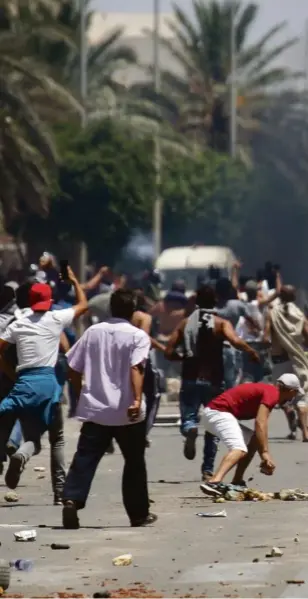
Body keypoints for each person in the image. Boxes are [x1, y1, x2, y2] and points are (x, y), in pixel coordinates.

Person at [62, 289, 157, 529]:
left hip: (96, 410)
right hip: (128, 413)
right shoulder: (138, 336)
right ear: (133, 311)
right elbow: (137, 368)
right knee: (134, 462)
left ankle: (72, 499)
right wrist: (136, 400)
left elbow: (72, 367)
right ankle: (138, 515)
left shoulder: (93, 332)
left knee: (85, 458)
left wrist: (81, 390)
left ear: (111, 309)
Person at [0, 268, 87, 497]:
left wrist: (10, 372)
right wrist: (75, 280)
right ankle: (60, 493)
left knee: (32, 437)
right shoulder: (55, 318)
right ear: (48, 301)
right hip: (48, 385)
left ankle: (22, 454)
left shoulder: (17, 324)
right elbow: (82, 306)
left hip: (24, 384)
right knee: (56, 439)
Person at [165, 283, 259, 481]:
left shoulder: (184, 324)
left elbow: (169, 351)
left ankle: (190, 428)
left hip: (190, 378)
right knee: (214, 425)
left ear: (197, 302)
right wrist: (250, 351)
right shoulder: (221, 323)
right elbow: (235, 341)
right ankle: (208, 469)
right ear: (215, 302)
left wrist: (184, 358)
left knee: (189, 416)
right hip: (214, 380)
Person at [200, 374, 301, 496]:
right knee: (239, 448)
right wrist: (265, 453)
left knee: (253, 440)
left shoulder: (269, 391)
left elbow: (259, 430)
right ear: (291, 390)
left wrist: (263, 455)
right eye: (294, 394)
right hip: (217, 412)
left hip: (214, 413)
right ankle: (214, 481)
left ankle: (237, 481)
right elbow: (260, 422)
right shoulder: (272, 393)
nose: (292, 398)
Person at [264, 285, 308, 441]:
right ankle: (305, 433)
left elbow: (265, 338)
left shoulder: (273, 313)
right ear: (294, 297)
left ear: (279, 297)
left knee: (280, 394)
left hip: (279, 360)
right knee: (301, 397)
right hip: (297, 359)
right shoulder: (300, 315)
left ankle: (288, 410)